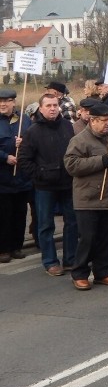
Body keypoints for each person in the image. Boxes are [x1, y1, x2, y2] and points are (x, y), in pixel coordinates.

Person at [63, 101, 108, 290]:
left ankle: (102, 272)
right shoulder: (80, 140)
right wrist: (99, 161)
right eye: (104, 120)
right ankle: (80, 273)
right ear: (93, 120)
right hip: (88, 198)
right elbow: (71, 165)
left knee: (105, 238)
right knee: (88, 238)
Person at [18, 94, 77, 276]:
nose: (52, 108)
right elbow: (24, 160)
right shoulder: (32, 131)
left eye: (55, 105)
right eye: (48, 105)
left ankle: (71, 259)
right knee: (45, 226)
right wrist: (40, 175)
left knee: (72, 223)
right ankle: (50, 261)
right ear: (41, 109)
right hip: (44, 187)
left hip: (68, 183)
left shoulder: (68, 126)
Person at [0, 89, 30, 263]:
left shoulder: (23, 121)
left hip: (21, 178)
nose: (3, 104)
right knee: (3, 215)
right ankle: (3, 249)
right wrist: (5, 157)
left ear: (14, 102)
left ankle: (16, 246)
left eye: (7, 101)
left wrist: (23, 143)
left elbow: (33, 140)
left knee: (20, 214)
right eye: (0, 101)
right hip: (2, 179)